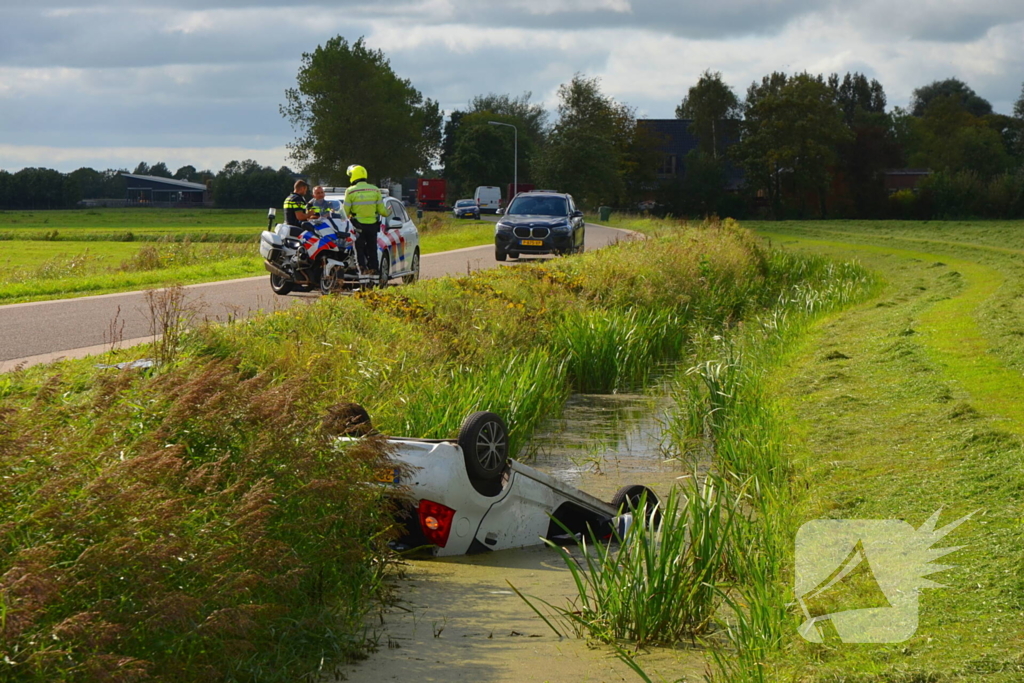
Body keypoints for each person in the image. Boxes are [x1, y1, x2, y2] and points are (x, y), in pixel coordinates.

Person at [343, 165, 388, 275]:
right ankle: (375, 274)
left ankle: (363, 273)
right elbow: (383, 211)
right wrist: (389, 212)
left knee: (360, 251)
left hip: (358, 227)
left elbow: (345, 212)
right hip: (372, 226)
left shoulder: (350, 191)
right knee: (372, 251)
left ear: (353, 176)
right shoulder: (375, 190)